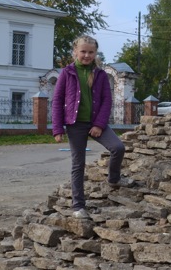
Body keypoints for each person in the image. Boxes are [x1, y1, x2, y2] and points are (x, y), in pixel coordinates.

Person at [52, 35, 128, 219]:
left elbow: (106, 100)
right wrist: (57, 129)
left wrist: (99, 125)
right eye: (83, 51)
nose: (86, 55)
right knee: (78, 164)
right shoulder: (67, 73)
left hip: (96, 123)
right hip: (74, 125)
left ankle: (114, 179)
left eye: (90, 52)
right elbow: (57, 100)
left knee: (118, 147)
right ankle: (78, 206)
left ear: (95, 53)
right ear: (75, 52)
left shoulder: (100, 74)